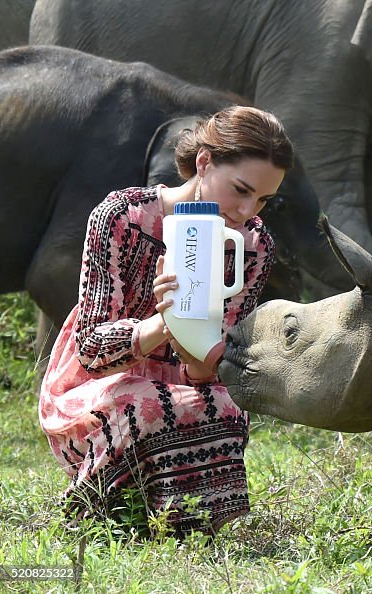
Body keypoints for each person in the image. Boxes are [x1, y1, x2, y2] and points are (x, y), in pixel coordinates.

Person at [38, 106, 293, 535]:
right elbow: (90, 351)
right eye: (241, 190)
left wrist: (201, 334)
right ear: (204, 162)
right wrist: (161, 323)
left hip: (187, 376)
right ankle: (101, 519)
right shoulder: (123, 217)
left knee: (229, 407)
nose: (248, 210)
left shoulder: (253, 243)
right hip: (96, 385)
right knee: (142, 404)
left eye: (264, 199)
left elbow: (207, 366)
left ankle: (185, 527)